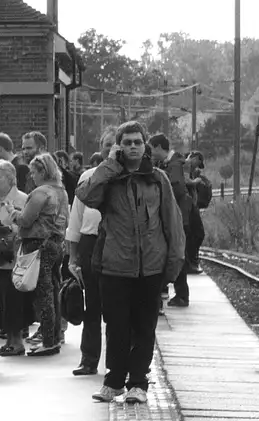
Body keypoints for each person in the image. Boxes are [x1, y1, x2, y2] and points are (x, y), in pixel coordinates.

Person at [78, 121, 186, 406]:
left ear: (145, 144)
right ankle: (113, 382)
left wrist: (173, 264)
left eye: (138, 141)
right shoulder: (109, 178)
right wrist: (109, 165)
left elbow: (172, 222)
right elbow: (86, 195)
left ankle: (138, 382)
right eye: (127, 142)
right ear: (119, 147)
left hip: (150, 266)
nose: (133, 146)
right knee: (116, 326)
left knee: (145, 326)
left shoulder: (158, 179)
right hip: (115, 265)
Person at [18, 153, 70, 357]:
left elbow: (25, 219)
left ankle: (48, 340)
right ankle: (55, 336)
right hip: (57, 243)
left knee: (43, 294)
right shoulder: (62, 192)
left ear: (42, 171)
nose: (31, 176)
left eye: (33, 172)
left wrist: (13, 213)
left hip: (40, 244)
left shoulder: (41, 193)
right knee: (53, 290)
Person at [66, 146, 107, 377]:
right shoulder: (87, 178)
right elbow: (76, 219)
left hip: (118, 243)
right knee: (92, 305)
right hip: (91, 243)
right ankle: (89, 359)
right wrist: (73, 256)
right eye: (109, 145)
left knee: (119, 308)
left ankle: (117, 361)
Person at [0, 159, 29, 357]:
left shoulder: (22, 199)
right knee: (2, 301)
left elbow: (28, 225)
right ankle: (10, 338)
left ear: (11, 178)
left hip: (16, 257)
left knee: (14, 301)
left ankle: (16, 341)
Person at [149, 133, 192, 306]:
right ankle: (175, 291)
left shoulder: (174, 164)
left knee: (177, 253)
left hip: (179, 217)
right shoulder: (170, 163)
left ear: (159, 147)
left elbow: (178, 188)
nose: (150, 153)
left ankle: (182, 294)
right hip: (178, 216)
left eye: (151, 149)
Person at [185, 151, 210, 274]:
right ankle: (191, 261)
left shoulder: (191, 169)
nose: (197, 167)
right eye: (198, 163)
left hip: (192, 206)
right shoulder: (186, 165)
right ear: (194, 158)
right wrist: (197, 181)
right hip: (188, 206)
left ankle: (192, 260)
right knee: (197, 234)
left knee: (196, 234)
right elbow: (186, 181)